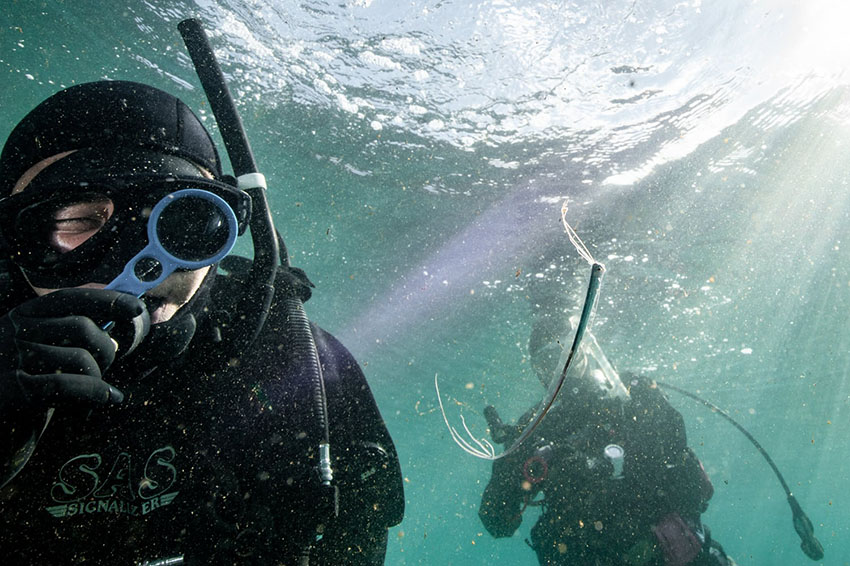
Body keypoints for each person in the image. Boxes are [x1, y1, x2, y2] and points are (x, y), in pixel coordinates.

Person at [0, 80, 404, 565]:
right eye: (77, 220)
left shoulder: (294, 362)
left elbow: (354, 538)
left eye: (180, 222)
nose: (135, 262)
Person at [478, 287, 735, 565]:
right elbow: (497, 523)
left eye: (566, 358)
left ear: (586, 351)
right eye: (546, 364)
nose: (558, 374)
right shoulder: (537, 426)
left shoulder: (630, 395)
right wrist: (508, 470)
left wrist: (596, 473)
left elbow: (680, 474)